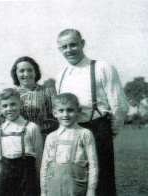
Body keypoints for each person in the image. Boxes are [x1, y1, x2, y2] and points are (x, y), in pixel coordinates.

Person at [55, 29, 129, 196]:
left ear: (82, 43)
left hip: (98, 130)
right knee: (75, 184)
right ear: (59, 49)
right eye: (64, 47)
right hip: (72, 132)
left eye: (73, 44)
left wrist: (110, 132)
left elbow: (120, 106)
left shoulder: (102, 67)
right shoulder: (61, 75)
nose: (69, 50)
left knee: (102, 184)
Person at [40, 93, 98, 196]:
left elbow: (93, 165)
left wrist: (91, 190)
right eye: (61, 110)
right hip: (53, 188)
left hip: (76, 188)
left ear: (78, 111)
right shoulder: (51, 137)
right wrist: (44, 192)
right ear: (54, 113)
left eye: (70, 110)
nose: (65, 115)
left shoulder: (84, 134)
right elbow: (44, 166)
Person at [0, 88, 43, 196]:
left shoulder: (31, 128)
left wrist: (37, 179)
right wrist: (5, 173)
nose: (9, 108)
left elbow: (39, 157)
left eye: (13, 104)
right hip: (7, 178)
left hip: (28, 176)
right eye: (5, 106)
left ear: (21, 104)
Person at [11, 56, 58, 143]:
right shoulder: (11, 94)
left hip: (45, 141)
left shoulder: (48, 92)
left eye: (30, 70)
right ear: (15, 73)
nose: (26, 74)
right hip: (18, 142)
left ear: (35, 72)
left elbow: (59, 116)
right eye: (22, 71)